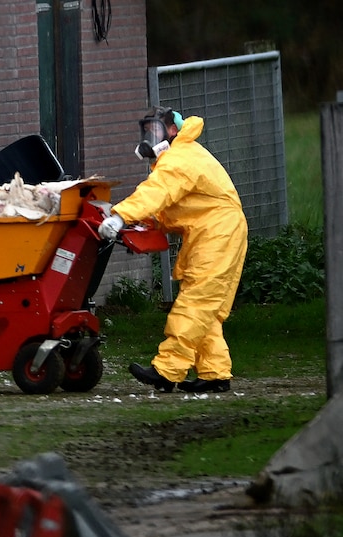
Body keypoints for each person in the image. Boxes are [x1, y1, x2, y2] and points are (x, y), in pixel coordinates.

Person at [97, 106, 248, 393]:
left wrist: (120, 217)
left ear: (172, 132)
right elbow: (166, 206)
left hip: (217, 233)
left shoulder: (178, 159)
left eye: (154, 131)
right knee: (205, 307)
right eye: (146, 131)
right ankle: (215, 373)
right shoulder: (181, 156)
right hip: (212, 233)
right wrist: (135, 222)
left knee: (194, 304)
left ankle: (167, 371)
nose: (148, 137)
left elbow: (157, 193)